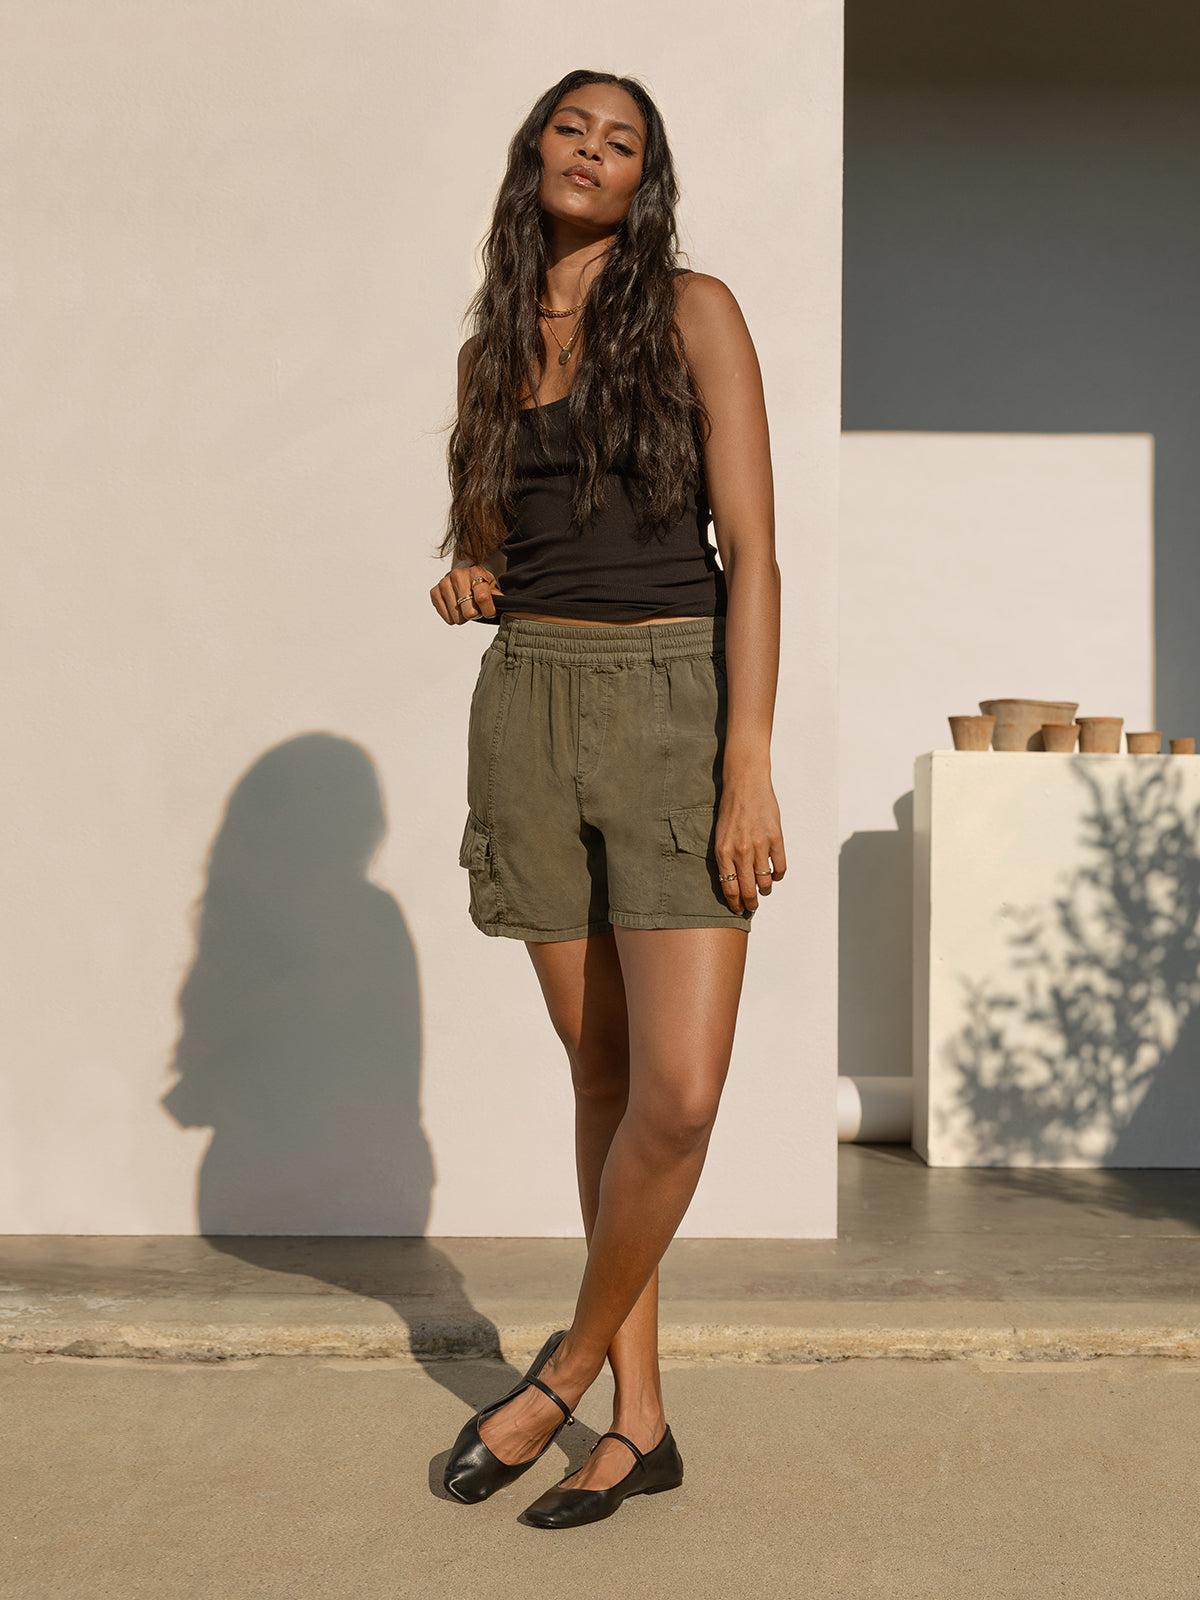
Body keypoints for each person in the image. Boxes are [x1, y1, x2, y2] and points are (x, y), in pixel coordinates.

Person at [428, 68, 784, 1530]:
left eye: (620, 139)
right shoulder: (496, 340)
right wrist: (463, 570)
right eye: (570, 128)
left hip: (676, 703)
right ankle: (640, 1420)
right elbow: (493, 538)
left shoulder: (694, 309)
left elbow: (753, 552)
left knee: (680, 1095)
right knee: (603, 1078)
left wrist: (746, 755)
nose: (591, 149)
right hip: (531, 705)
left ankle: (560, 1370)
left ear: (646, 181)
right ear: (534, 158)